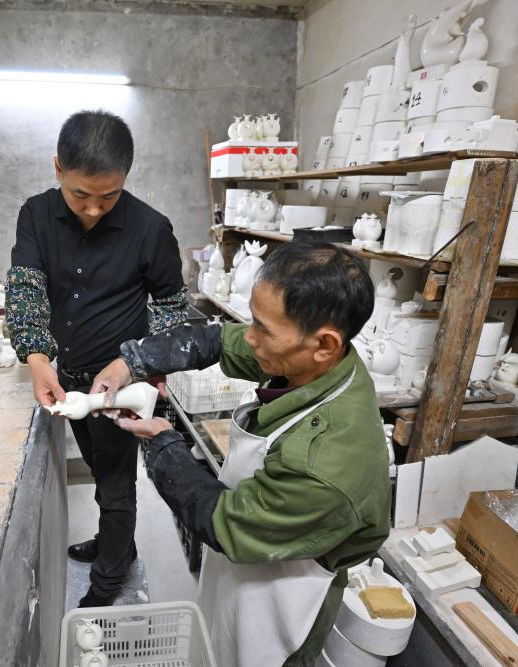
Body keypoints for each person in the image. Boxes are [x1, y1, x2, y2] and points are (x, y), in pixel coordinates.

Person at [91, 242, 391, 666]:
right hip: (247, 562)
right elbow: (217, 340)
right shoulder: (315, 361)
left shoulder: (324, 465)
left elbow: (227, 522)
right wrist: (134, 362)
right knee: (216, 644)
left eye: (263, 329)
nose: (250, 337)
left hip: (284, 600)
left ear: (325, 343)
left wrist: (162, 444)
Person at [5, 110, 188, 607]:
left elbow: (173, 309)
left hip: (121, 385)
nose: (92, 209)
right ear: (58, 168)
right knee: (99, 469)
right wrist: (37, 360)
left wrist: (148, 364)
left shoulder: (150, 228)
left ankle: (109, 577)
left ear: (125, 177)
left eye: (108, 197)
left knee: (116, 484)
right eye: (80, 194)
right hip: (68, 376)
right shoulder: (36, 215)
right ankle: (117, 545)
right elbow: (26, 289)